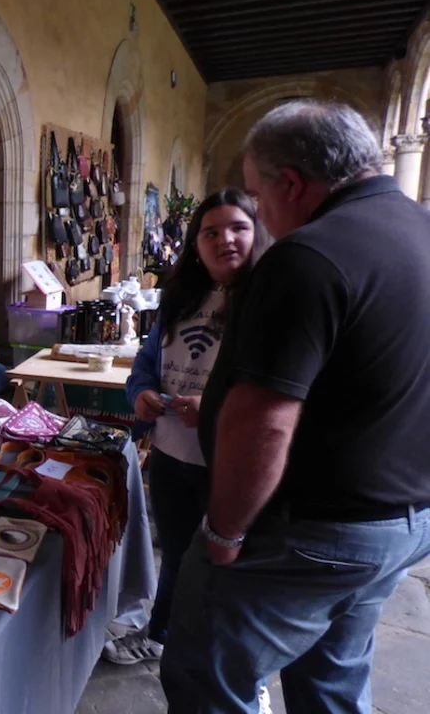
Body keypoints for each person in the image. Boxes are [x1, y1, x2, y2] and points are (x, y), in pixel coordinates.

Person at [161, 100, 430, 713]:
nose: (259, 215)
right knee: (331, 677)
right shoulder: (419, 228)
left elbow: (264, 418)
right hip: (400, 521)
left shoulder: (308, 256)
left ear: (291, 183)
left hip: (310, 531)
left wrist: (224, 531)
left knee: (208, 675)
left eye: (257, 198)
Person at [105, 189, 259, 667]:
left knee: (228, 562)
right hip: (173, 453)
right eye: (210, 232)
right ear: (195, 244)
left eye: (238, 228)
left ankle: (228, 656)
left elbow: (274, 391)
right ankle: (162, 633)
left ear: (258, 234)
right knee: (175, 553)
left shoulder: (267, 302)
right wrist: (141, 394)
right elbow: (145, 364)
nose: (224, 240)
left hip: (231, 461)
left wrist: (210, 407)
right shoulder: (179, 299)